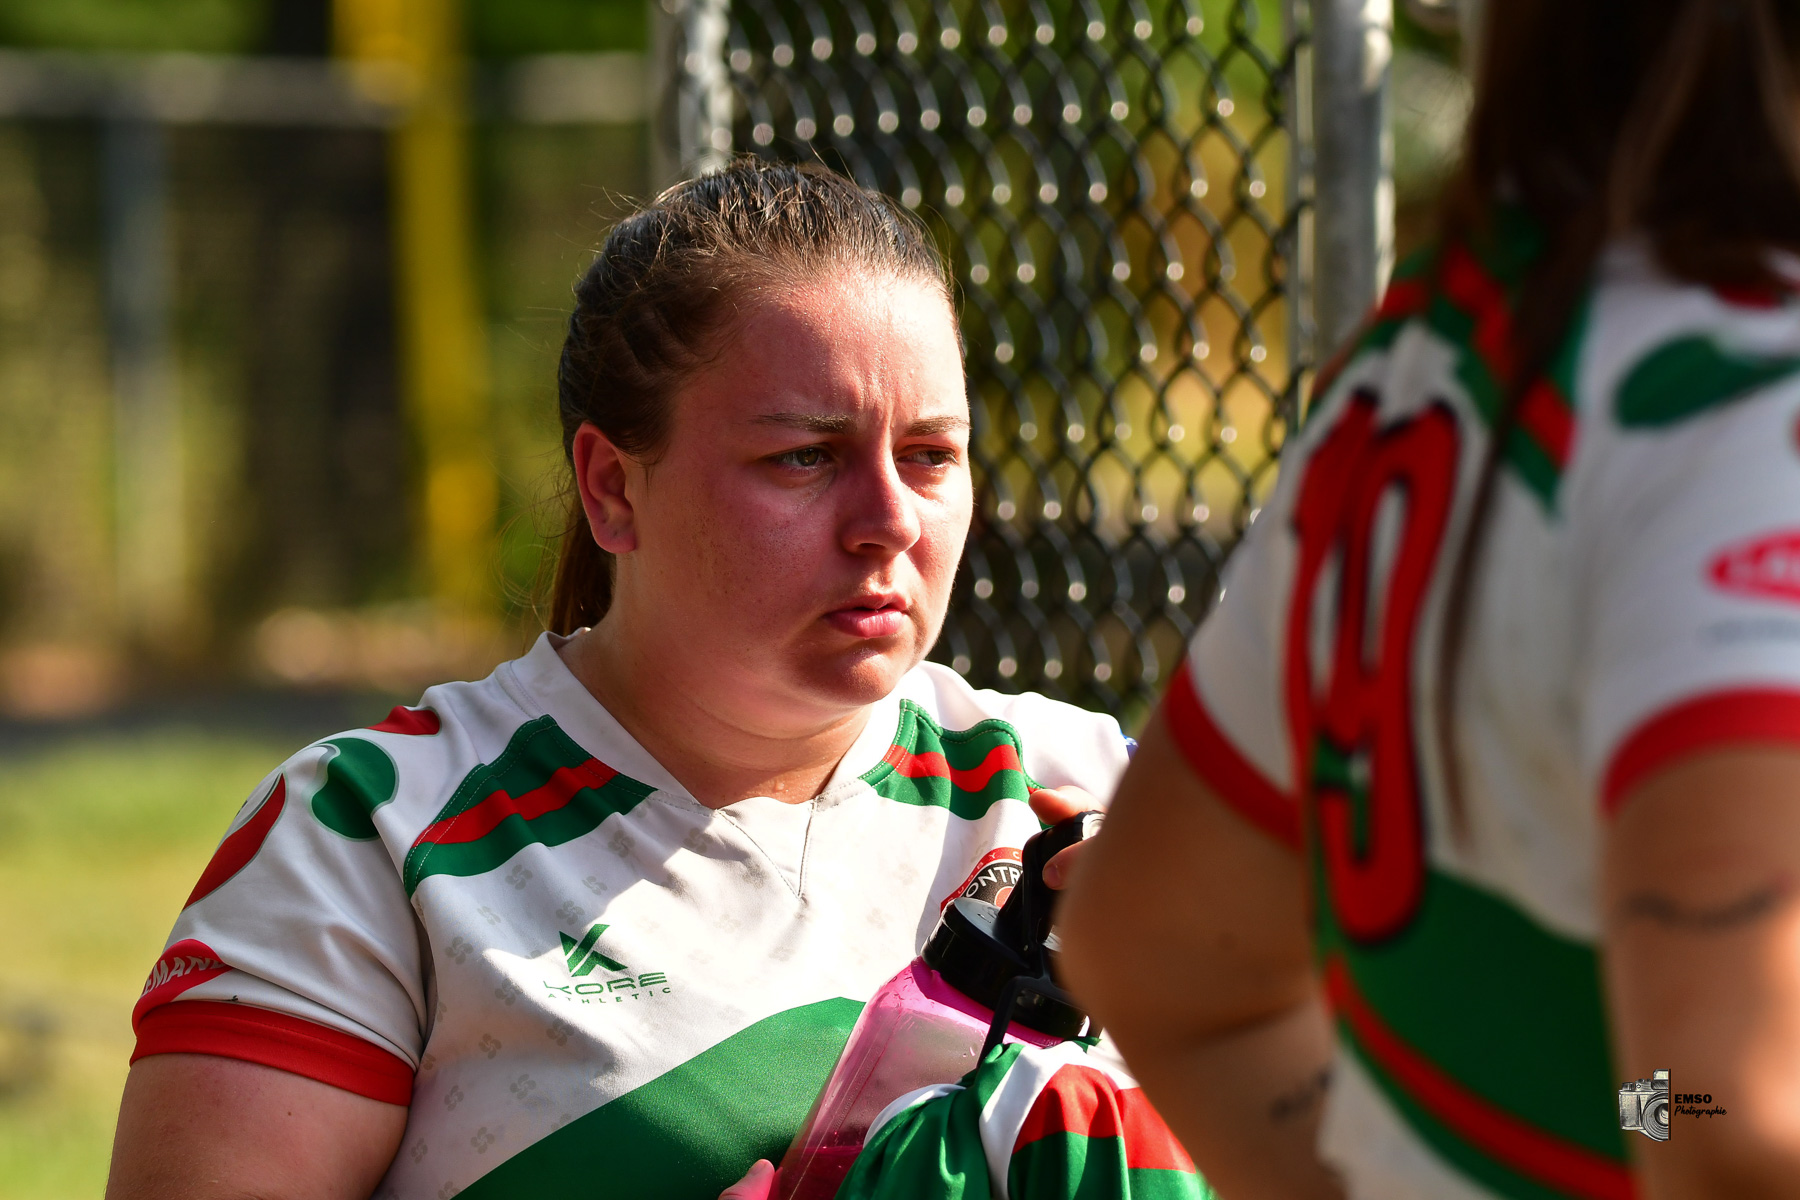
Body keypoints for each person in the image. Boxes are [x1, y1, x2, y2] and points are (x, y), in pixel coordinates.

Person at [105, 161, 1178, 1200]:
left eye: (932, 456)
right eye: (806, 456)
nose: (891, 519)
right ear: (613, 488)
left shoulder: (1088, 794)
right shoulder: (370, 837)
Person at [1058, 1, 1800, 1198]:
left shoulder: (1441, 352)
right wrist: (1655, 1100)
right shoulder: (1743, 402)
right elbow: (1729, 1107)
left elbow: (1154, 954)